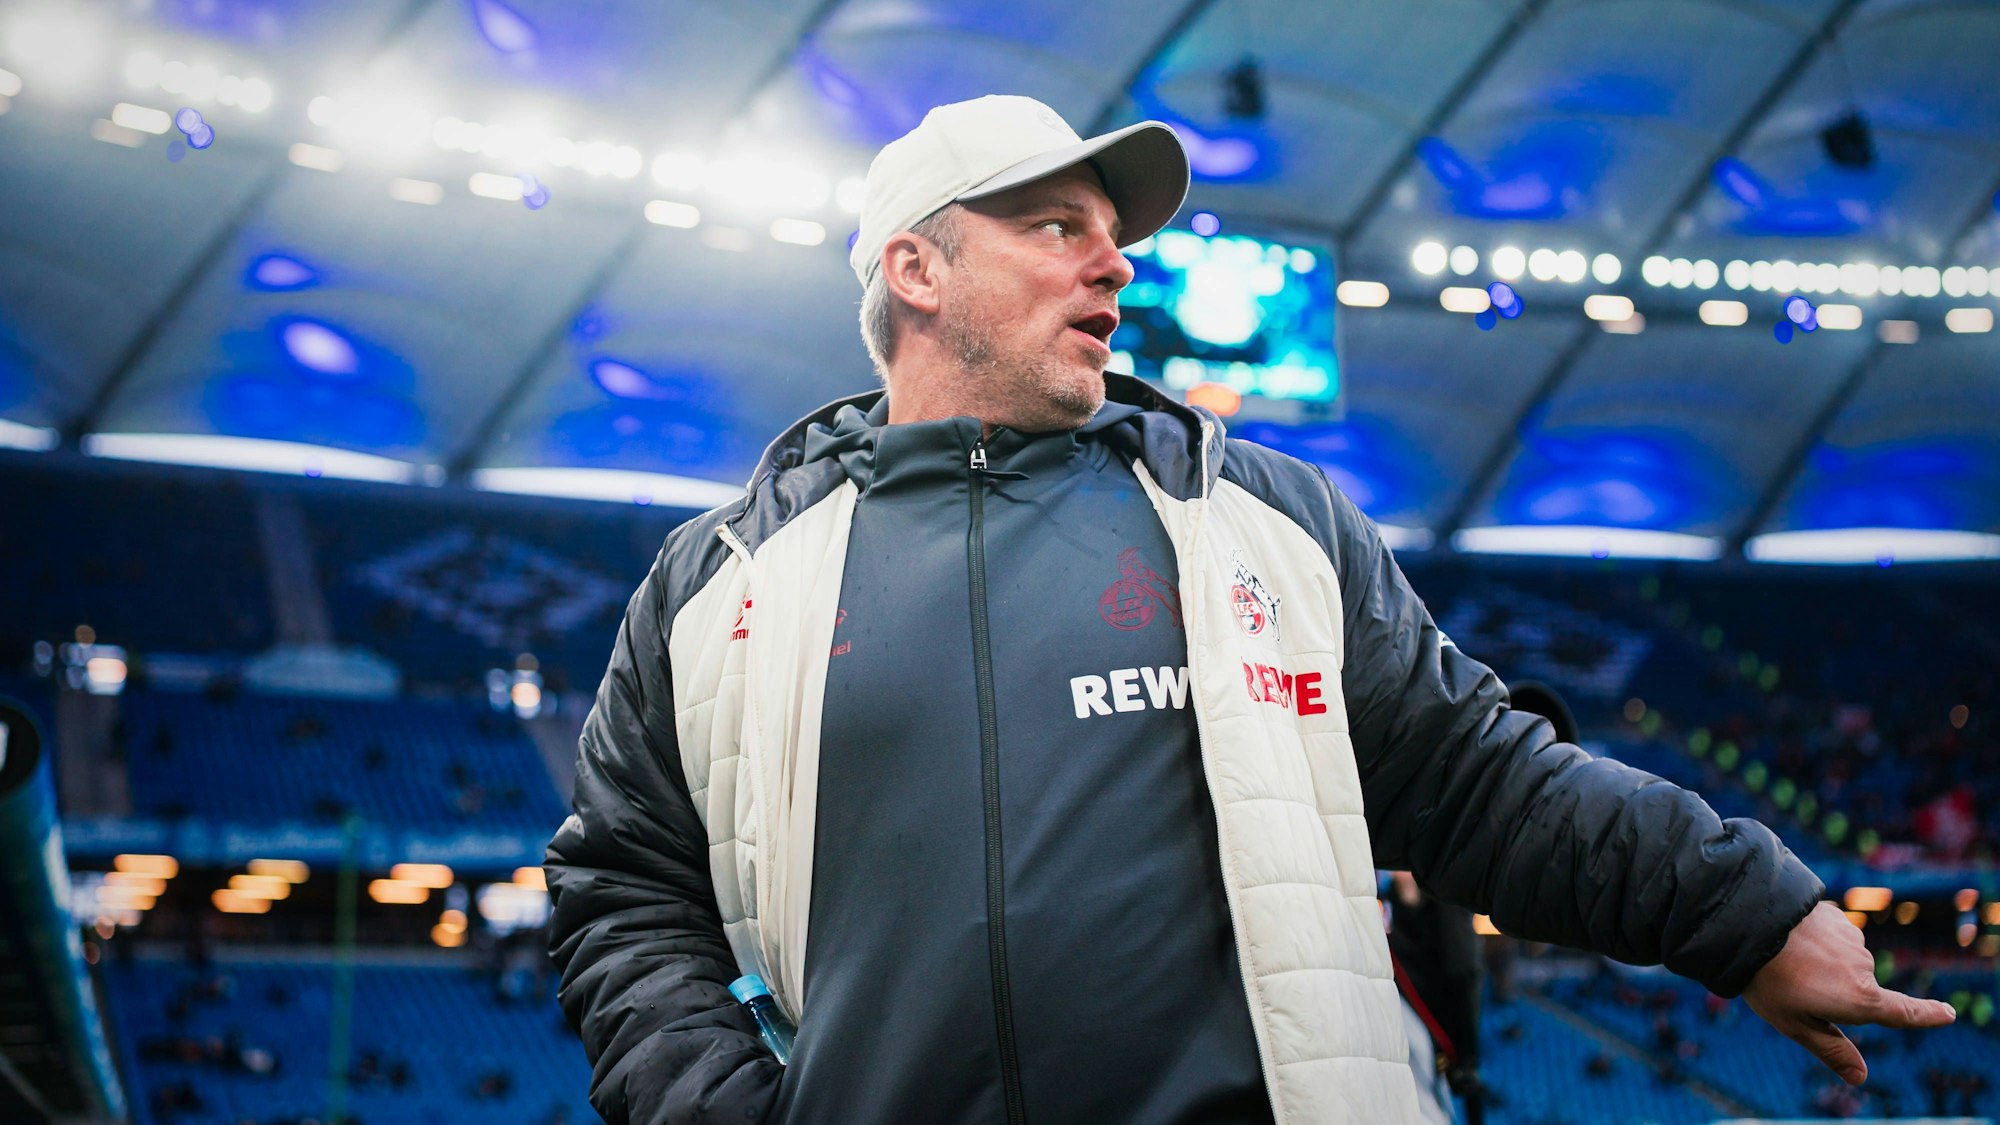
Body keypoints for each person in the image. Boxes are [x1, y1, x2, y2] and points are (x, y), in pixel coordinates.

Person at [543, 94, 1954, 1124]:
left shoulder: (1260, 520)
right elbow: (620, 892)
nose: (1116, 262)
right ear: (916, 269)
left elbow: (1473, 781)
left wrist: (1739, 909)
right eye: (1055, 226)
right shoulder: (719, 580)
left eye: (1114, 234)